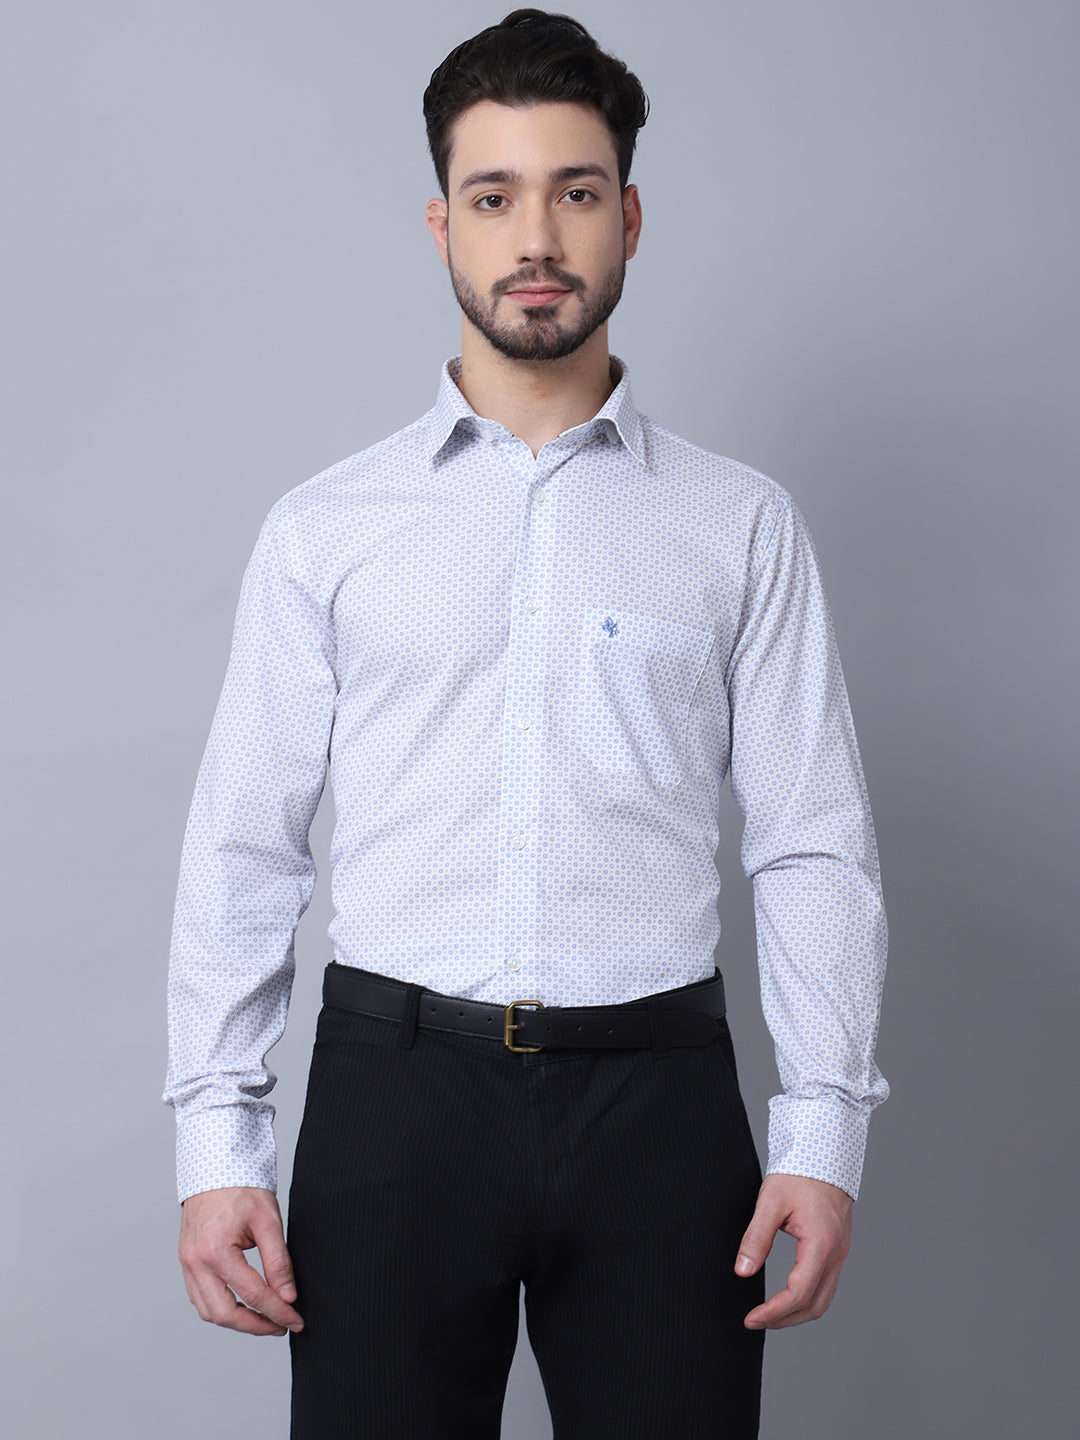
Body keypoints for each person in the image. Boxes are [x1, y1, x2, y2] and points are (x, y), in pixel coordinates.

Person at [165, 10, 888, 1438]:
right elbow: (245, 848)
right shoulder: (325, 529)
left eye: (575, 192)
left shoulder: (739, 525)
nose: (537, 238)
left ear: (631, 218)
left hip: (659, 1110)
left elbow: (812, 842)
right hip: (394, 1105)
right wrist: (216, 1144)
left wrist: (823, 1132)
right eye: (494, 197)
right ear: (444, 224)